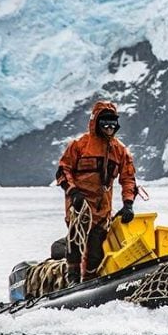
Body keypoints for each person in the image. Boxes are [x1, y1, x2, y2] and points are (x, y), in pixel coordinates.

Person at [55, 101, 138, 285]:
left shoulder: (120, 151)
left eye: (113, 124)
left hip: (102, 210)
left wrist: (128, 204)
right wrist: (73, 192)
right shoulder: (79, 146)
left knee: (96, 250)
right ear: (96, 123)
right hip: (79, 206)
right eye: (105, 124)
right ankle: (73, 280)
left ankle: (90, 280)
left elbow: (128, 179)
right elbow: (63, 171)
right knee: (75, 243)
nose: (109, 128)